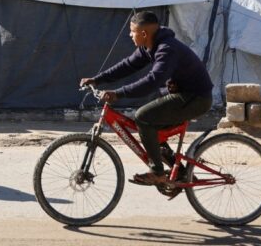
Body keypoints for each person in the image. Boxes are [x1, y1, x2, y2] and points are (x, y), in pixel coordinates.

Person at [80, 11, 213, 186]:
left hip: (196, 98)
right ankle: (179, 172)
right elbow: (127, 65)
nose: (129, 35)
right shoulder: (149, 46)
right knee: (152, 128)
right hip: (182, 95)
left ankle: (158, 172)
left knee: (143, 117)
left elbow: (153, 81)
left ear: (143, 34)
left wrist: (118, 93)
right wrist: (98, 79)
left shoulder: (166, 49)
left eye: (132, 31)